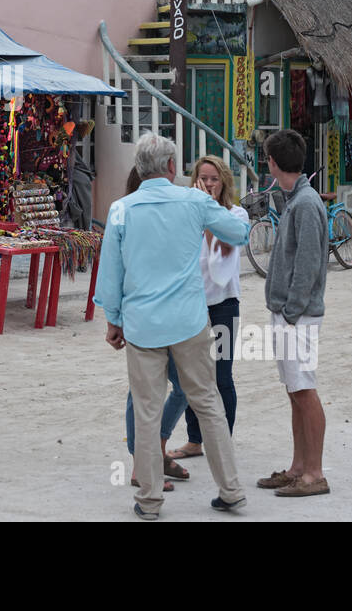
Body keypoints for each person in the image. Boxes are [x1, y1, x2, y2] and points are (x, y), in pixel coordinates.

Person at [95, 133, 250, 519]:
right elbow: (239, 234)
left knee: (147, 411)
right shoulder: (194, 200)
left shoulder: (120, 210)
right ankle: (231, 490)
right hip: (189, 321)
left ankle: (149, 501)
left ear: (138, 169)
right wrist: (211, 208)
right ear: (170, 167)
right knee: (208, 402)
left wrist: (113, 320)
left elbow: (110, 273)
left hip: (142, 325)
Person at [257, 129, 330, 498]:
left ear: (273, 162)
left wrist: (289, 311)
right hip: (291, 313)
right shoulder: (298, 199)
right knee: (295, 390)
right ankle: (298, 467)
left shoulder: (304, 203)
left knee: (303, 390)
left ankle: (314, 472)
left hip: (297, 316)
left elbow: (308, 265)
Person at [171, 155, 249, 459]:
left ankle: (223, 441)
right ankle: (195, 439)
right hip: (192, 304)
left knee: (221, 377)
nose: (208, 184)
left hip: (224, 304)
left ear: (224, 181)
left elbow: (221, 255)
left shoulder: (236, 215)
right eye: (202, 178)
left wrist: (207, 213)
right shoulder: (185, 215)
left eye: (213, 179)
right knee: (192, 377)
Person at [119, 166, 191, 490]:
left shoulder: (174, 216)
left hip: (176, 320)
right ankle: (142, 465)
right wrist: (116, 319)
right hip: (145, 321)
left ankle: (156, 451)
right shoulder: (128, 220)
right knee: (143, 393)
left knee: (185, 387)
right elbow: (116, 273)